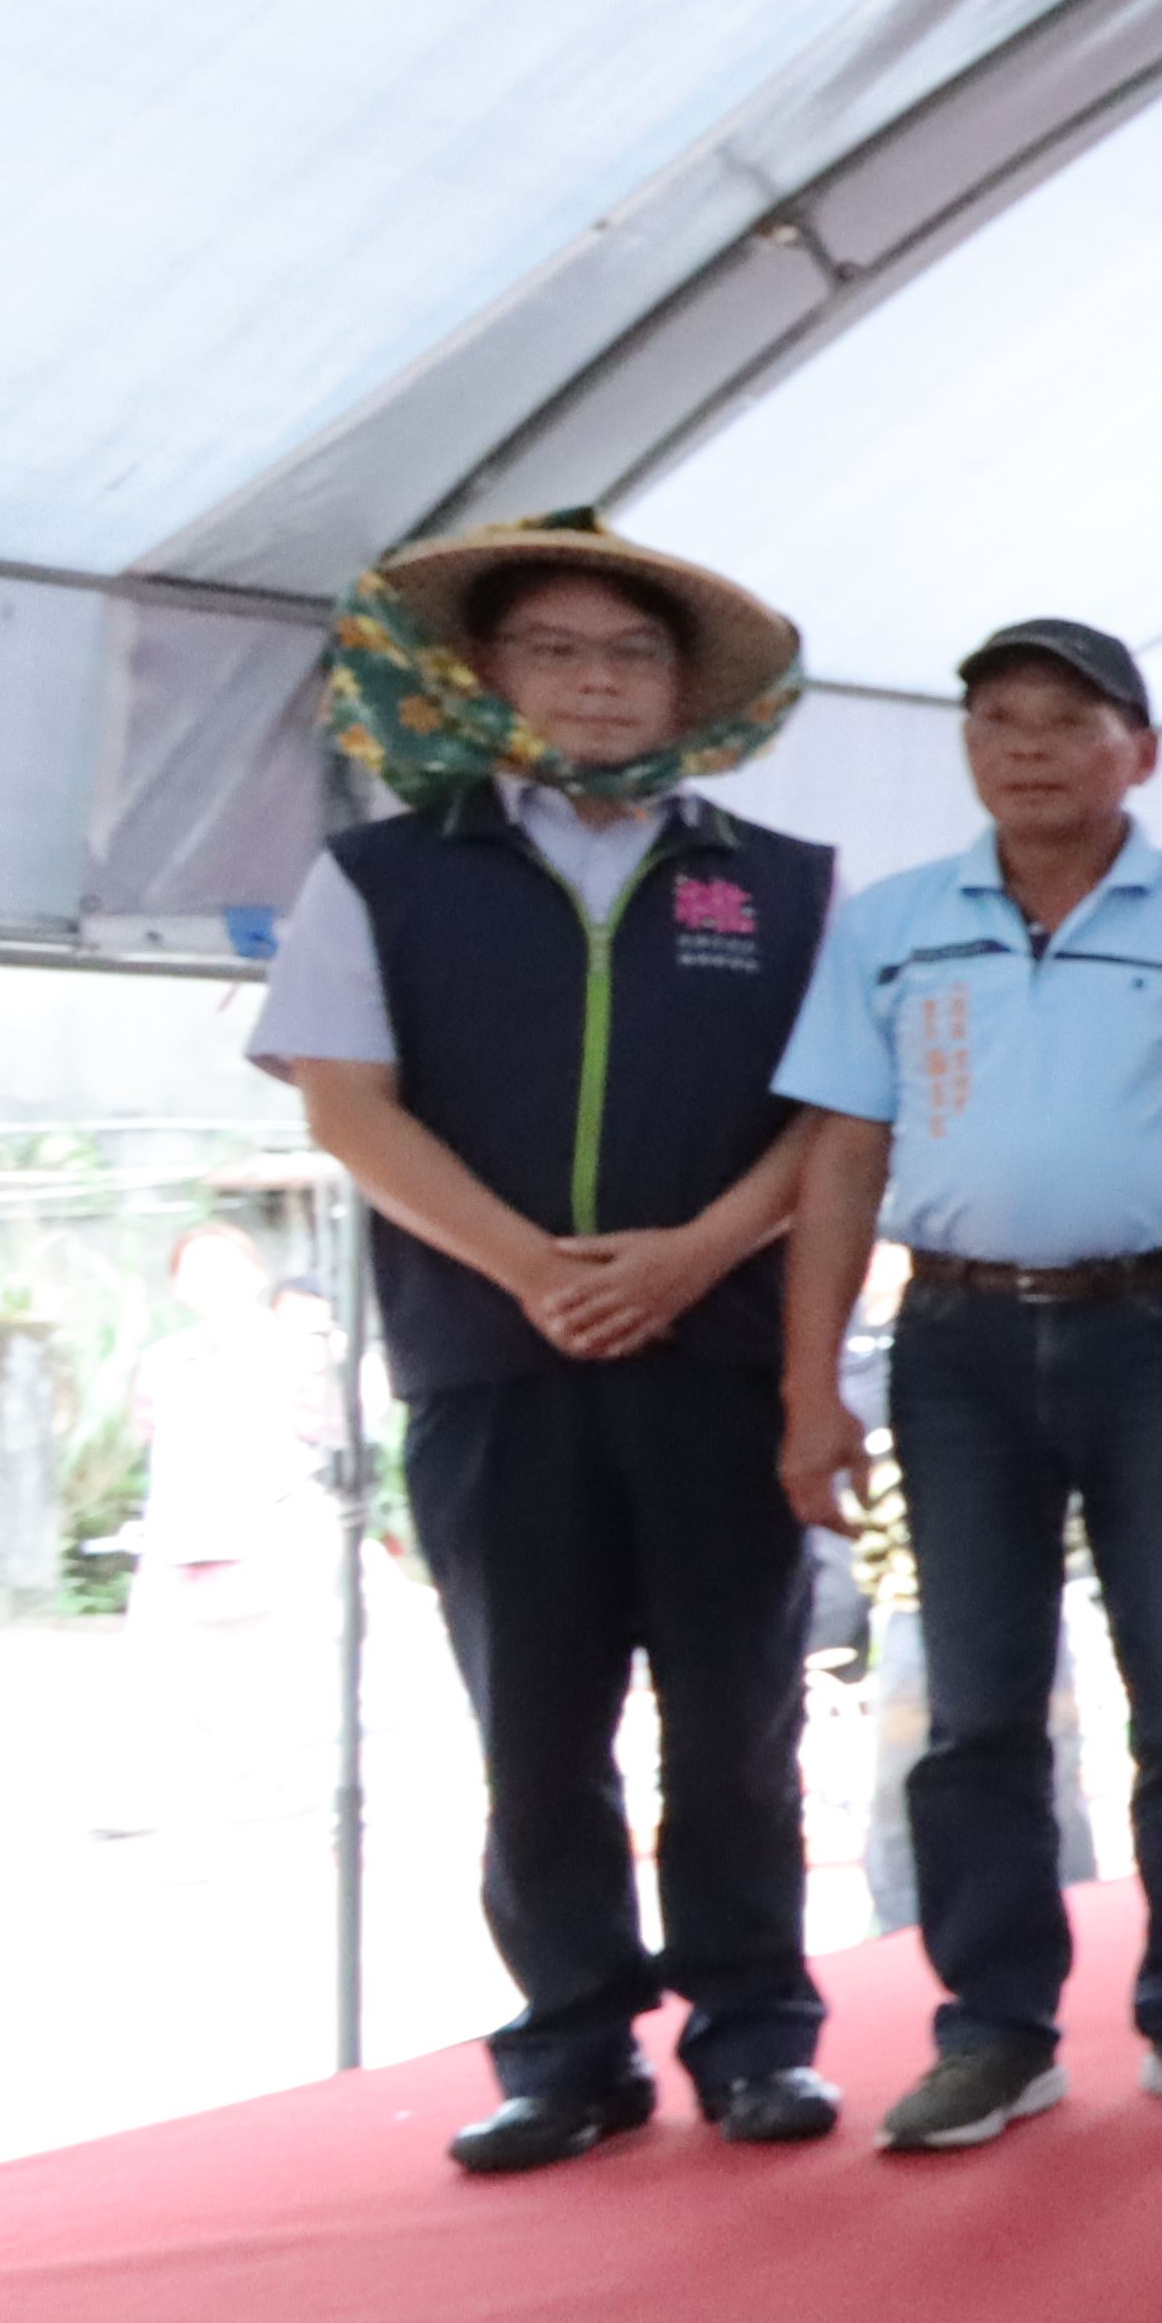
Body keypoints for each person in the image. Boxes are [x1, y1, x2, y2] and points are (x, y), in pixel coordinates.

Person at [253, 518, 843, 2170]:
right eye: (555, 652)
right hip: (491, 1363)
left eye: (631, 654)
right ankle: (572, 2049)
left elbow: (835, 1116)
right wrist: (532, 1272)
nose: (595, 684)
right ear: (485, 675)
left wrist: (692, 1256)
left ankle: (757, 2035)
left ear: (687, 689)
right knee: (532, 1733)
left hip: (719, 1358)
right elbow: (345, 1105)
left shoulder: (783, 879)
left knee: (736, 1723)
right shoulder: (384, 872)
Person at [769, 615, 1162, 2150]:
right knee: (977, 1707)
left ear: (1138, 753)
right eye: (996, 721)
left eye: (1065, 722)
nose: (1026, 750)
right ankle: (996, 2032)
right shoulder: (893, 923)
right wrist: (812, 1387)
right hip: (954, 1346)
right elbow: (841, 1160)